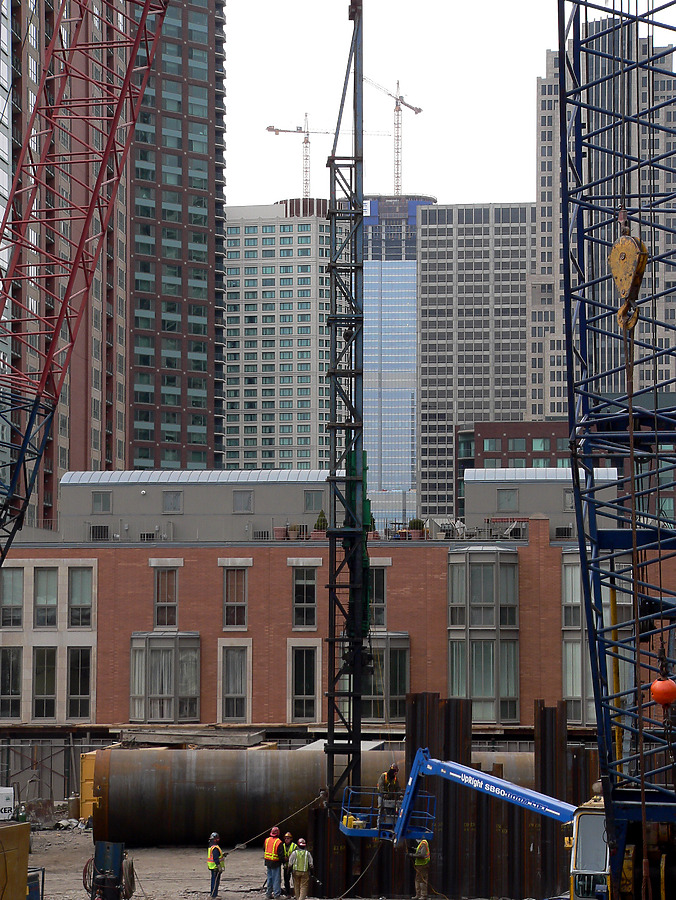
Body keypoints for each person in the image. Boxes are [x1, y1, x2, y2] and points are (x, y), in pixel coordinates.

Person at [376, 762, 401, 829]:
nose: (396, 773)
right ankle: (379, 826)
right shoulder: (384, 776)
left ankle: (389, 826)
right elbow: (380, 786)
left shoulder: (395, 778)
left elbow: (397, 787)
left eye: (397, 771)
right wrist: (384, 794)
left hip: (390, 798)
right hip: (382, 796)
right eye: (395, 771)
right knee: (381, 809)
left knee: (390, 811)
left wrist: (400, 794)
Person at [264, 825, 284, 899]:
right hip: (275, 863)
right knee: (276, 879)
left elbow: (264, 849)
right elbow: (280, 854)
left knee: (269, 878)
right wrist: (284, 861)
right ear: (278, 833)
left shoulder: (267, 840)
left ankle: (268, 894)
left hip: (268, 862)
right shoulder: (279, 842)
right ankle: (277, 895)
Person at [207, 832, 224, 899]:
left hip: (212, 867)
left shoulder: (211, 847)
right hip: (215, 868)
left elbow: (217, 855)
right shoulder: (215, 848)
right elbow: (215, 858)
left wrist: (223, 854)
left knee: (215, 881)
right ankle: (213, 896)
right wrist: (219, 867)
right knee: (215, 882)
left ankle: (214, 894)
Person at [282, 831, 297, 896]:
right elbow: (280, 854)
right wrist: (283, 858)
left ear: (291, 839)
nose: (286, 840)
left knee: (295, 881)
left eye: (288, 838)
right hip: (286, 866)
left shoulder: (294, 846)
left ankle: (296, 893)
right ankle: (288, 893)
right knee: (286, 880)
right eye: (285, 838)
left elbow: (298, 856)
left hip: (293, 866)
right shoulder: (282, 846)